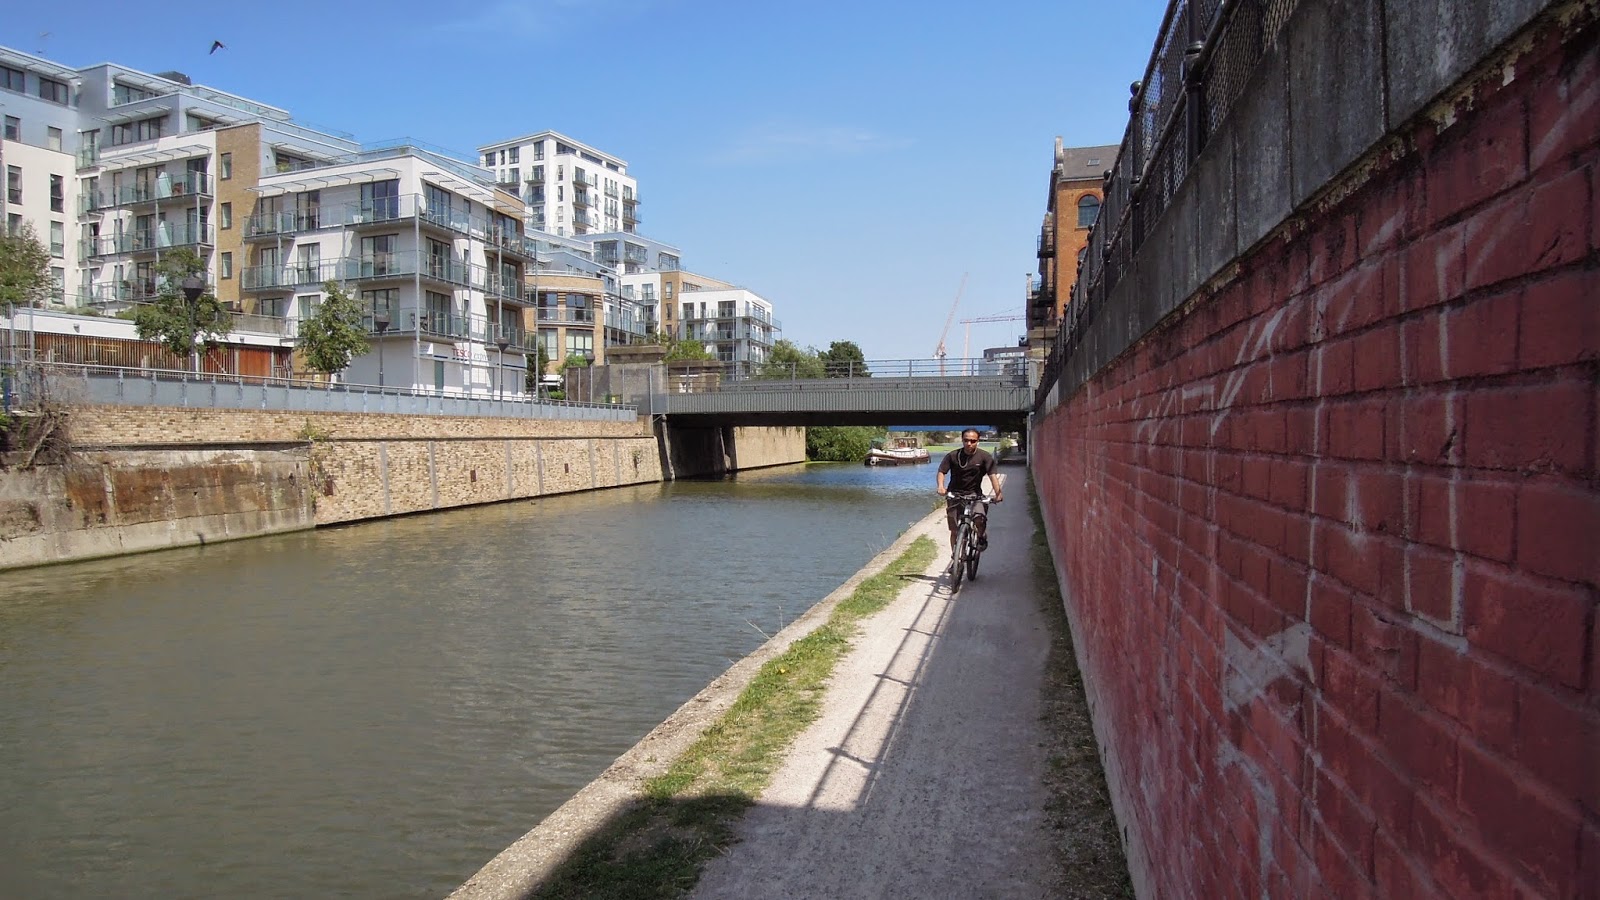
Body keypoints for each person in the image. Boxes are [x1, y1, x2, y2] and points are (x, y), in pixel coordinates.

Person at [935, 428, 1003, 552]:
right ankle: (955, 560)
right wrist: (940, 486)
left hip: (975, 495)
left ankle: (981, 536)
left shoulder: (984, 457)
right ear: (962, 440)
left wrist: (998, 493)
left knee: (979, 519)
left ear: (978, 441)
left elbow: (992, 476)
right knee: (954, 530)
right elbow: (942, 471)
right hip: (955, 495)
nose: (969, 443)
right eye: (966, 440)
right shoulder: (953, 456)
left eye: (973, 441)